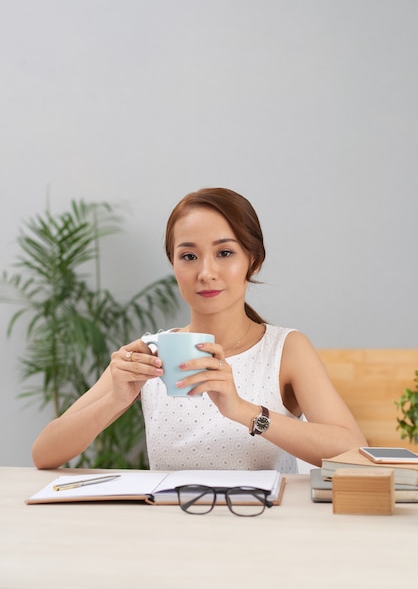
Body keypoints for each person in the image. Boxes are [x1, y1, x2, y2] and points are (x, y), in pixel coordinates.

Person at [32, 187, 367, 472]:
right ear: (173, 264)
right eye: (189, 256)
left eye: (224, 253)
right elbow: (44, 454)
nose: (206, 272)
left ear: (253, 259)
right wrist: (116, 400)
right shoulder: (151, 352)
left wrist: (243, 411)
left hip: (263, 534)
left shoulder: (285, 348)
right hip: (172, 536)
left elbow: (353, 452)